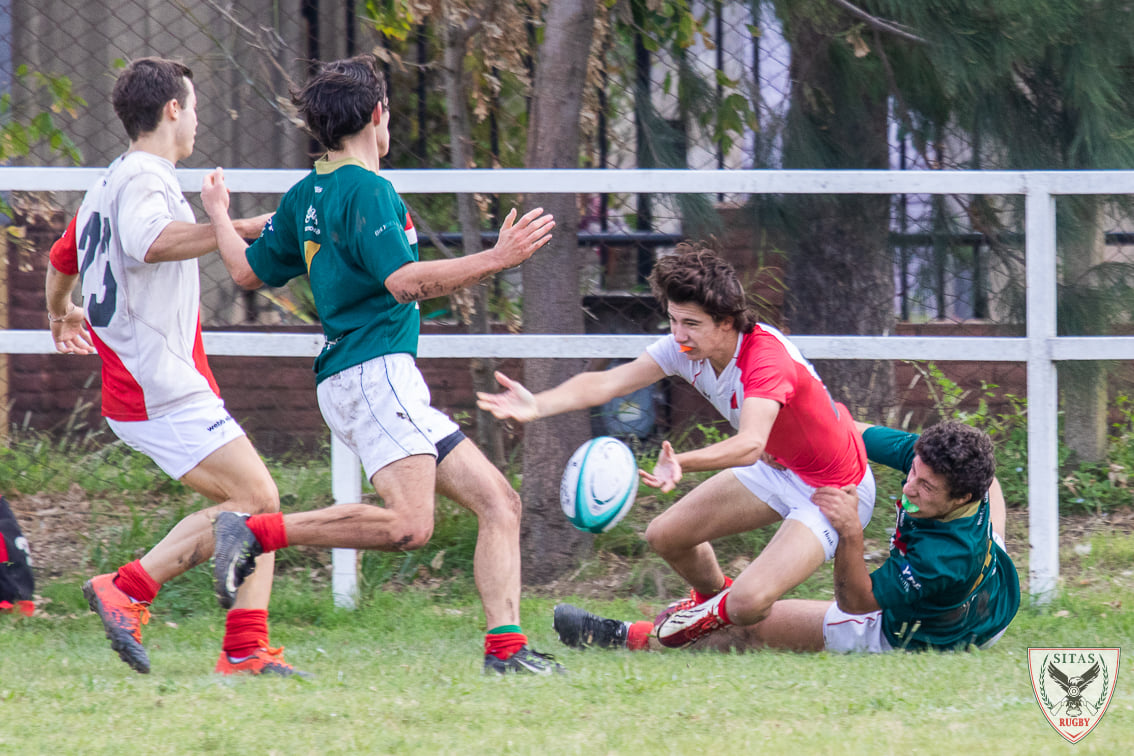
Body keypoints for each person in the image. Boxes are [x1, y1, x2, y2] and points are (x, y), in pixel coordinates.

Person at [199, 54, 562, 674]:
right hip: (375, 373)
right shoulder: (370, 190)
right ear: (377, 114)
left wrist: (216, 214)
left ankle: (507, 651)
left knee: (499, 501)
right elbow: (403, 282)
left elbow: (244, 272)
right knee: (409, 526)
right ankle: (256, 533)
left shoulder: (307, 192)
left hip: (368, 377)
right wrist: (497, 259)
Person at [477, 242, 877, 651]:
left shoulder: (765, 361)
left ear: (727, 322)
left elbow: (750, 445)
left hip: (835, 491)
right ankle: (710, 604)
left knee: (749, 603)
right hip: (782, 469)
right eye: (672, 320)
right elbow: (608, 383)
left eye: (691, 323)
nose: (678, 335)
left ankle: (695, 626)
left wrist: (681, 462)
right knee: (665, 536)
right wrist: (538, 404)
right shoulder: (686, 348)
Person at [43, 57, 298, 676]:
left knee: (252, 504)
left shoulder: (109, 181)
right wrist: (229, 222)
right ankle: (135, 593)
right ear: (172, 110)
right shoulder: (145, 179)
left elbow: (63, 255)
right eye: (196, 105)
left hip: (147, 382)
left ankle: (239, 646)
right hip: (154, 382)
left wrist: (61, 311)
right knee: (258, 500)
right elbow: (151, 242)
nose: (199, 119)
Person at [553, 420, 1021, 654]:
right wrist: (790, 444)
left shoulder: (945, 558)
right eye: (912, 473)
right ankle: (709, 604)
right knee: (993, 483)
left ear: (961, 497)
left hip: (923, 633)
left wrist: (850, 534)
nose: (908, 486)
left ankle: (624, 636)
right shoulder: (937, 463)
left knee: (750, 624)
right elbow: (846, 431)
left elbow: (858, 602)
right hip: (995, 586)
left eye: (925, 488)